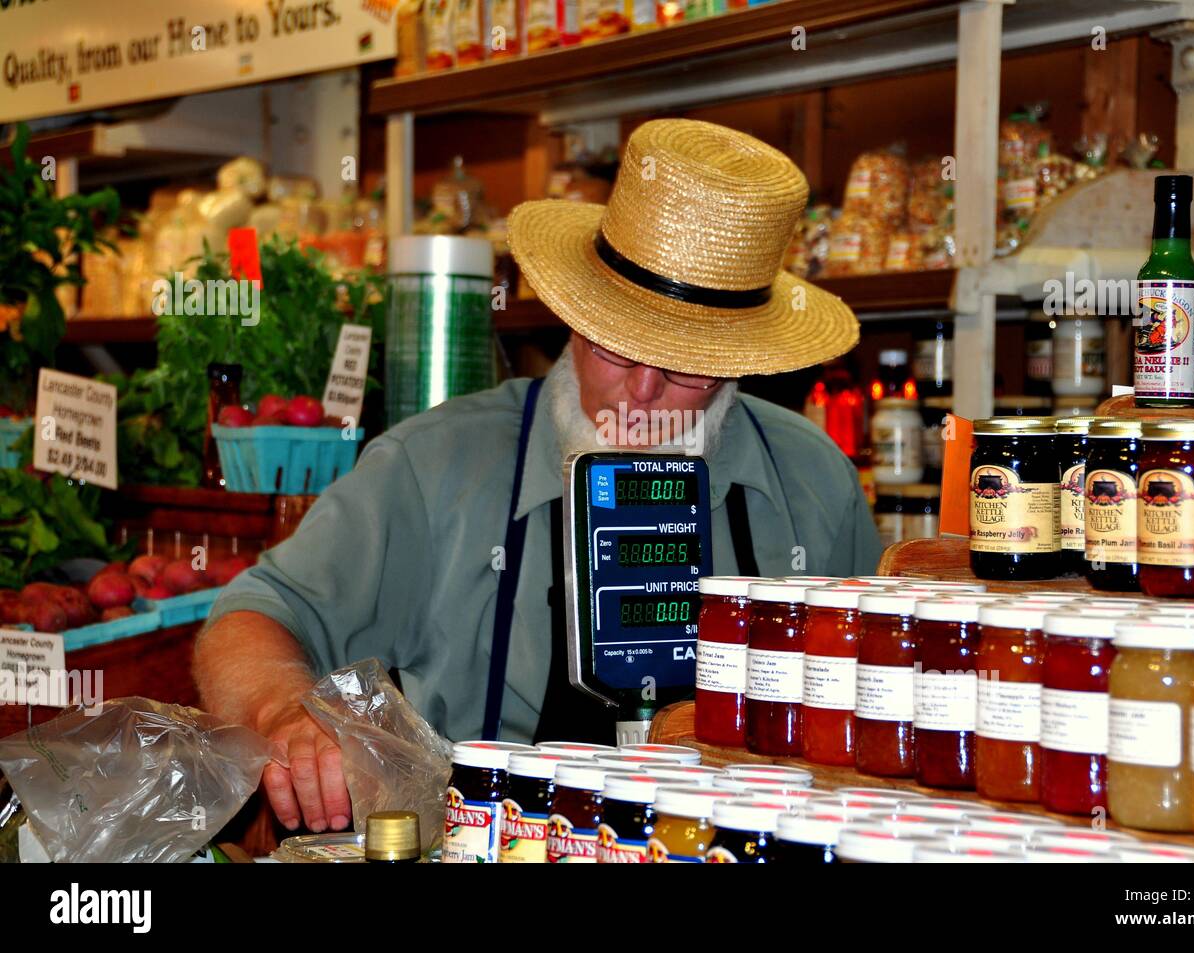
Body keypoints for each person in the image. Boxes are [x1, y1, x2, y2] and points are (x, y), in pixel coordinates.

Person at [194, 118, 882, 835]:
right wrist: (283, 715)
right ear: (575, 315)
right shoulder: (436, 467)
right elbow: (254, 615)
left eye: (685, 363)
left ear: (741, 354)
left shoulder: (815, 485)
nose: (640, 392)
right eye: (615, 342)